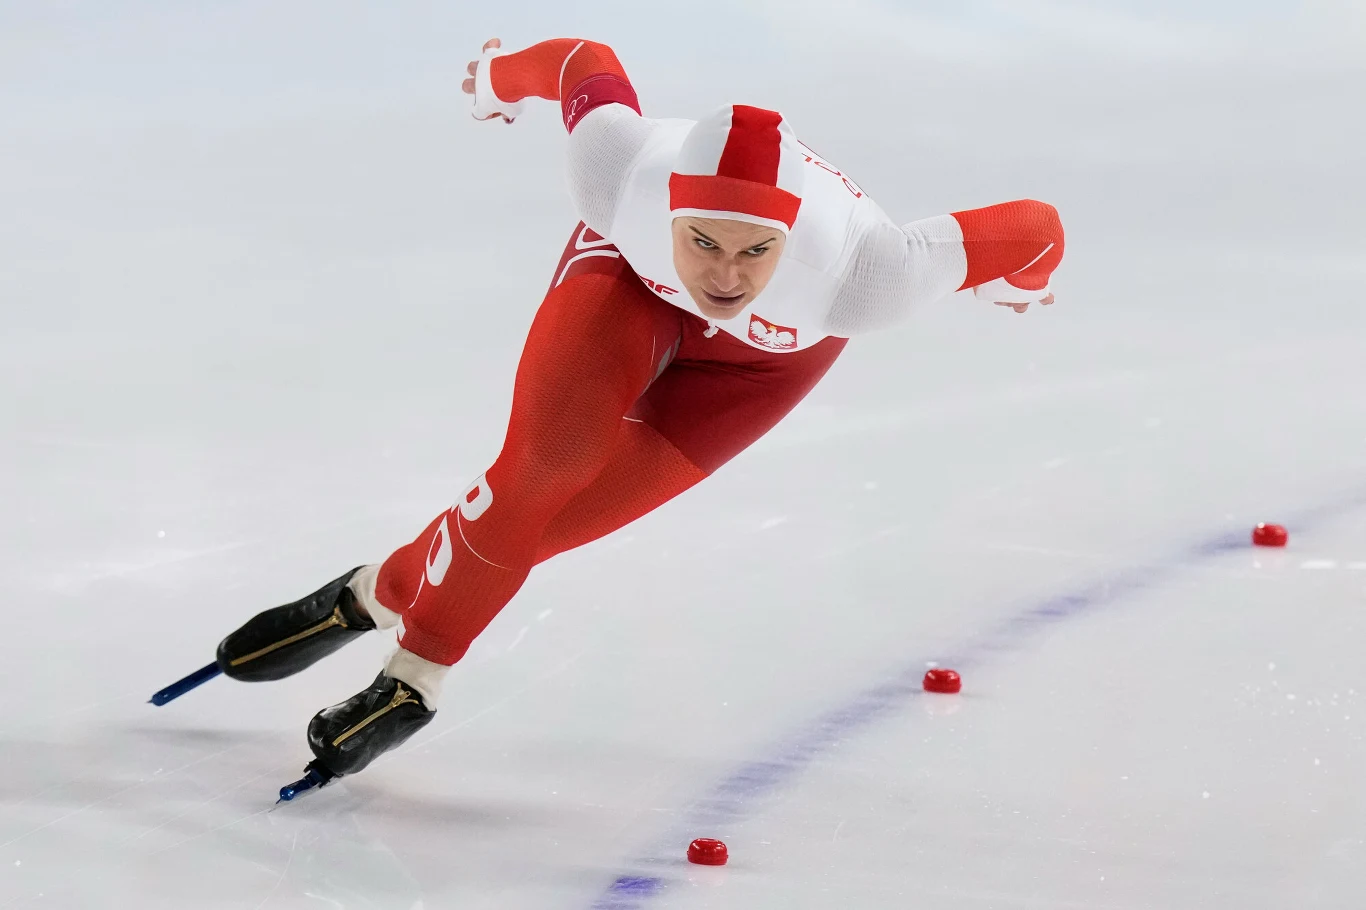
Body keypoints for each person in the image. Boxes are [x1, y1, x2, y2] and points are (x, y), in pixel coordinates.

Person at [213, 36, 1065, 789]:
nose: (725, 278)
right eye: (704, 241)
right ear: (672, 210)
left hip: (761, 367)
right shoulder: (619, 168)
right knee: (541, 470)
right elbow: (584, 59)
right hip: (627, 284)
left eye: (754, 251)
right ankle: (415, 680)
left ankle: (374, 592)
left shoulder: (868, 273)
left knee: (542, 529)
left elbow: (1037, 226)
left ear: (791, 236)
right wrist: (498, 77)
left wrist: (1028, 277)